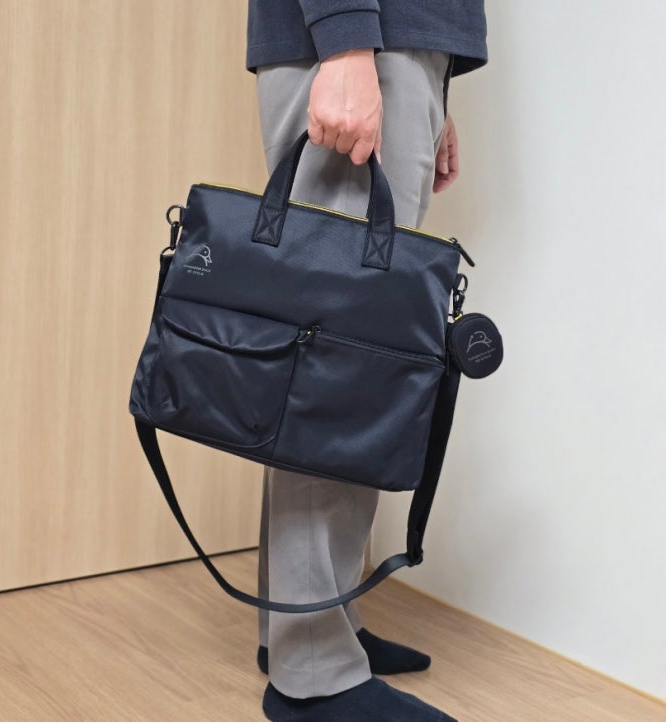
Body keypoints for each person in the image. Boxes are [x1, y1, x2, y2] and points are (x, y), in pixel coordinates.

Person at [247, 2, 487, 720]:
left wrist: (430, 83)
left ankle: (307, 628)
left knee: (345, 360)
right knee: (337, 368)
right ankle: (313, 675)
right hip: (361, 41)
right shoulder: (350, 45)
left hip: (391, 45)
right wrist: (347, 44)